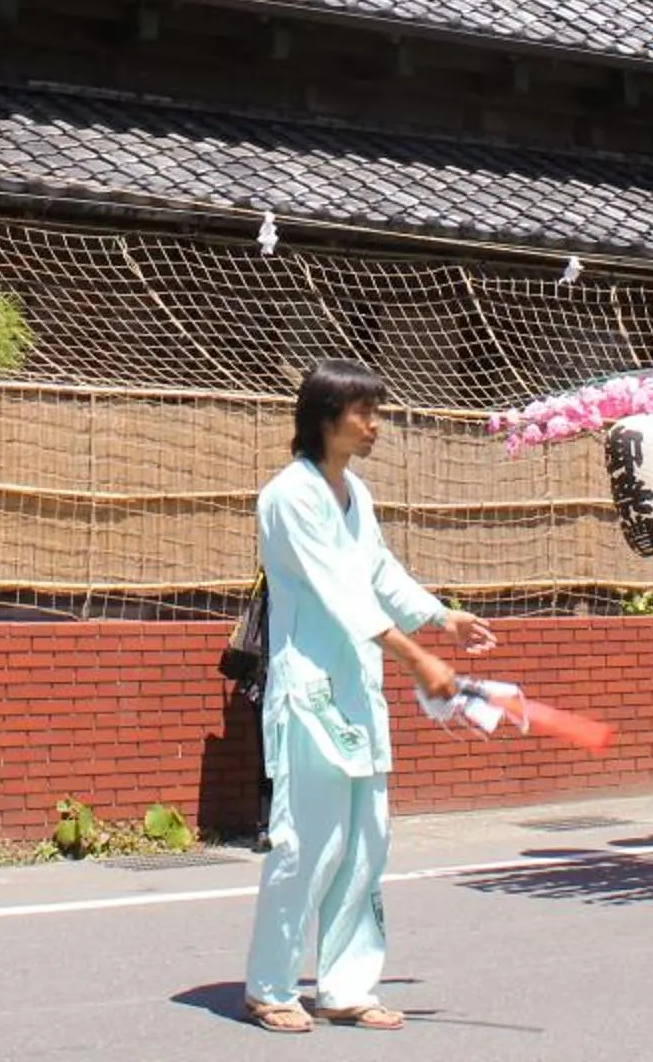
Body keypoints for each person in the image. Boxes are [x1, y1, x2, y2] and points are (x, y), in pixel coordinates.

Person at [244, 361, 491, 1035]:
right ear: (326, 415)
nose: (375, 423)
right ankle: (270, 986)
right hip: (309, 692)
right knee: (307, 844)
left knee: (365, 844)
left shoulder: (355, 491)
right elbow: (340, 592)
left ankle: (347, 987)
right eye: (364, 411)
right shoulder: (290, 496)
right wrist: (420, 659)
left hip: (359, 689)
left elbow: (378, 573)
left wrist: (443, 618)